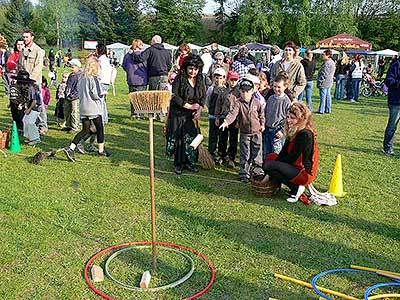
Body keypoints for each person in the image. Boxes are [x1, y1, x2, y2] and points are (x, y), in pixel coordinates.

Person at [258, 101, 318, 203]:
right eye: (288, 117)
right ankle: (277, 183)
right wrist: (273, 166)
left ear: (301, 119)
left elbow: (292, 157)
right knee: (270, 157)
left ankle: (295, 188)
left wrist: (272, 168)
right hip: (295, 166)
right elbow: (284, 152)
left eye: (292, 118)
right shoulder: (294, 130)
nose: (288, 120)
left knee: (269, 165)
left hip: (304, 172)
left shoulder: (305, 134)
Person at [63, 57, 110, 162]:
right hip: (94, 107)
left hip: (83, 106)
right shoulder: (94, 78)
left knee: (85, 130)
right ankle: (101, 151)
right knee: (100, 128)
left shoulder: (82, 78)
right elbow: (96, 94)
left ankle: (71, 148)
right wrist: (104, 93)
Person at [165, 54, 206, 174]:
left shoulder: (200, 79)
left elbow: (203, 96)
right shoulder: (179, 78)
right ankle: (178, 164)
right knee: (179, 138)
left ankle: (189, 162)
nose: (193, 72)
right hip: (178, 112)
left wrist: (199, 110)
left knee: (191, 137)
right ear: (186, 68)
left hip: (191, 114)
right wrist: (189, 106)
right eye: (191, 69)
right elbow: (175, 96)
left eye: (195, 69)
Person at [219, 79, 265, 183]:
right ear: (240, 91)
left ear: (252, 91)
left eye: (247, 91)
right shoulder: (238, 103)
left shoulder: (257, 103)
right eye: (243, 91)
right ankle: (244, 173)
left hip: (257, 132)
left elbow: (261, 115)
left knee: (257, 152)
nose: (245, 94)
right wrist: (226, 122)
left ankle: (257, 171)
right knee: (245, 153)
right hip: (245, 133)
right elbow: (232, 114)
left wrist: (262, 124)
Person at [215, 70, 241, 168]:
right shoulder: (223, 91)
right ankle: (222, 155)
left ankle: (231, 157)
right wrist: (217, 117)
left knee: (233, 139)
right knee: (222, 138)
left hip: (234, 120)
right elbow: (218, 105)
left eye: (235, 80)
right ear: (227, 80)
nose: (233, 82)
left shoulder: (238, 93)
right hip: (223, 118)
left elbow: (240, 108)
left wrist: (238, 120)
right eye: (231, 80)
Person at [263, 73, 291, 158]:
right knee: (266, 152)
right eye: (274, 86)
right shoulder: (271, 98)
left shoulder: (287, 101)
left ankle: (275, 170)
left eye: (279, 87)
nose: (276, 89)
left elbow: (288, 119)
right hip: (267, 129)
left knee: (276, 153)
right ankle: (266, 169)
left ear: (285, 86)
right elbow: (265, 113)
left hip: (278, 131)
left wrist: (282, 131)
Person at [11, 70, 42, 145]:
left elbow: (34, 101)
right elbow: (27, 99)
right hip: (31, 106)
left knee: (30, 122)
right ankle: (30, 137)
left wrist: (29, 109)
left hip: (35, 107)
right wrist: (21, 104)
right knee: (25, 120)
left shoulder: (31, 88)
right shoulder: (26, 88)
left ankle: (36, 138)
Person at [122, 39, 148, 116]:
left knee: (133, 98)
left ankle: (133, 113)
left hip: (131, 78)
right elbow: (147, 66)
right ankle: (141, 114)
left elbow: (124, 66)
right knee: (141, 98)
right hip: (142, 79)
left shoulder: (127, 56)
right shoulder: (143, 55)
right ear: (139, 45)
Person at [206, 67, 226, 161]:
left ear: (224, 78)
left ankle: (222, 153)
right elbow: (208, 101)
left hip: (222, 116)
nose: (218, 80)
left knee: (222, 136)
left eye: (220, 78)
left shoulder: (226, 90)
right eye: (216, 78)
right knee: (213, 135)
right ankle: (211, 152)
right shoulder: (211, 89)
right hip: (213, 115)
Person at [382, 53, 400, 156]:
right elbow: (388, 80)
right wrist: (398, 83)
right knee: (392, 126)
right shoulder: (395, 65)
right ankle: (387, 148)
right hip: (396, 101)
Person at [63, 58, 82, 133]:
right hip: (68, 96)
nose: (71, 68)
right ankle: (68, 125)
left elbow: (78, 88)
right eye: (71, 67)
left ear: (78, 67)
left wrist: (72, 95)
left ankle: (75, 126)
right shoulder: (71, 75)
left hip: (75, 97)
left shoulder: (79, 76)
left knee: (74, 112)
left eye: (73, 67)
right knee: (67, 111)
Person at [316, 49, 336, 114]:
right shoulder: (332, 62)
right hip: (329, 81)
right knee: (328, 96)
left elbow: (324, 73)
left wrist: (320, 80)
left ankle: (321, 110)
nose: (322, 56)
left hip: (324, 82)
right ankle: (327, 109)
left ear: (328, 55)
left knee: (323, 96)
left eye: (323, 54)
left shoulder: (327, 63)